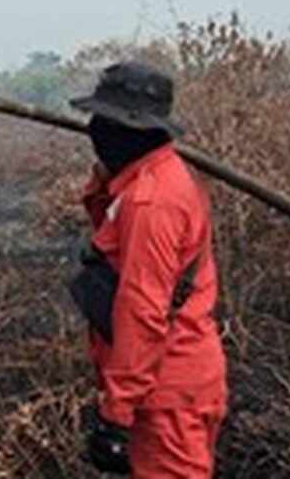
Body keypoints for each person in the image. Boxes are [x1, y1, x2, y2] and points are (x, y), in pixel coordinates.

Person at [68, 61, 227, 477]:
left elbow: (143, 310)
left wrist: (116, 413)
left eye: (107, 121)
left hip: (166, 388)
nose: (97, 130)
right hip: (164, 383)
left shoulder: (151, 202)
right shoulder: (146, 180)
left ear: (133, 131)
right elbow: (112, 243)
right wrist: (104, 182)